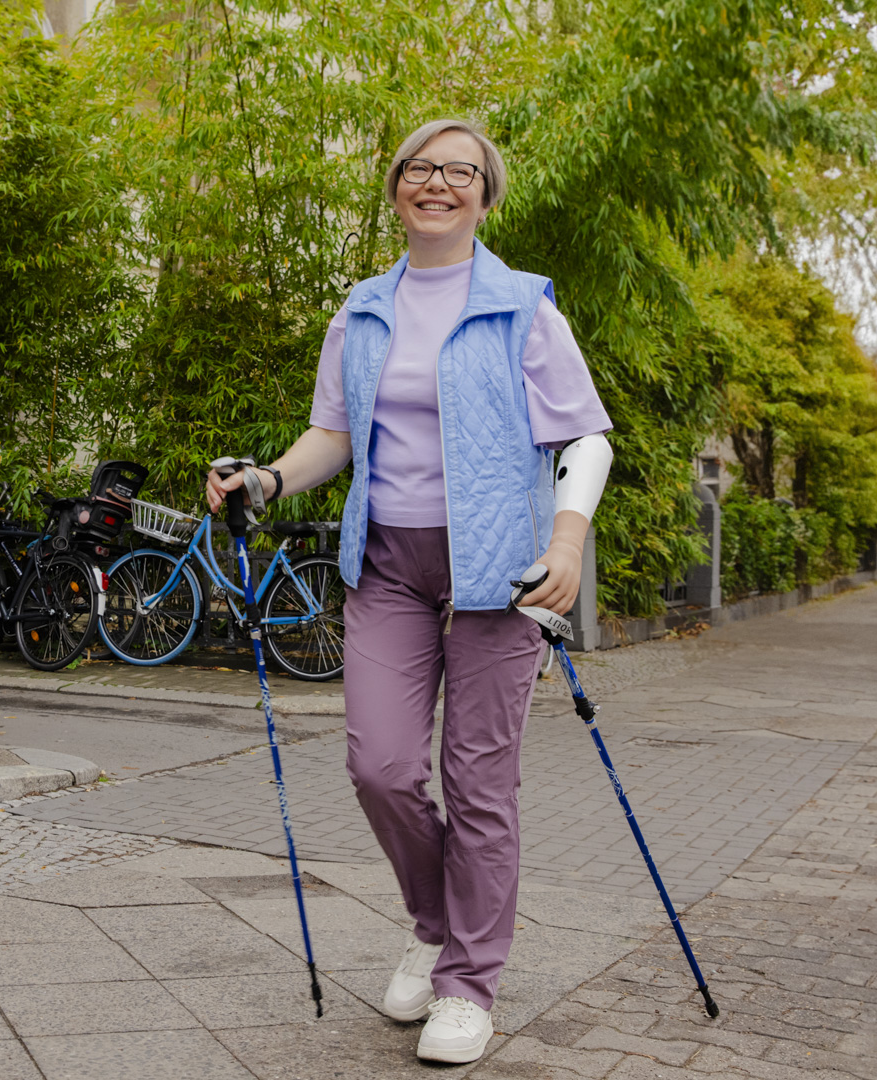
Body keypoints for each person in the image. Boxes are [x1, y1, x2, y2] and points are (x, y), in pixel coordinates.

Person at [205, 118, 613, 1065]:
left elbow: (584, 437)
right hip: (387, 561)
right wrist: (266, 479)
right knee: (381, 767)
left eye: (460, 171)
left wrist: (568, 540)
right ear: (395, 188)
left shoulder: (523, 308)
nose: (439, 183)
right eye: (421, 169)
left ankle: (470, 982)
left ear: (485, 192)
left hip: (498, 572)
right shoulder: (361, 310)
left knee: (479, 781)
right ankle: (433, 926)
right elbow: (334, 437)